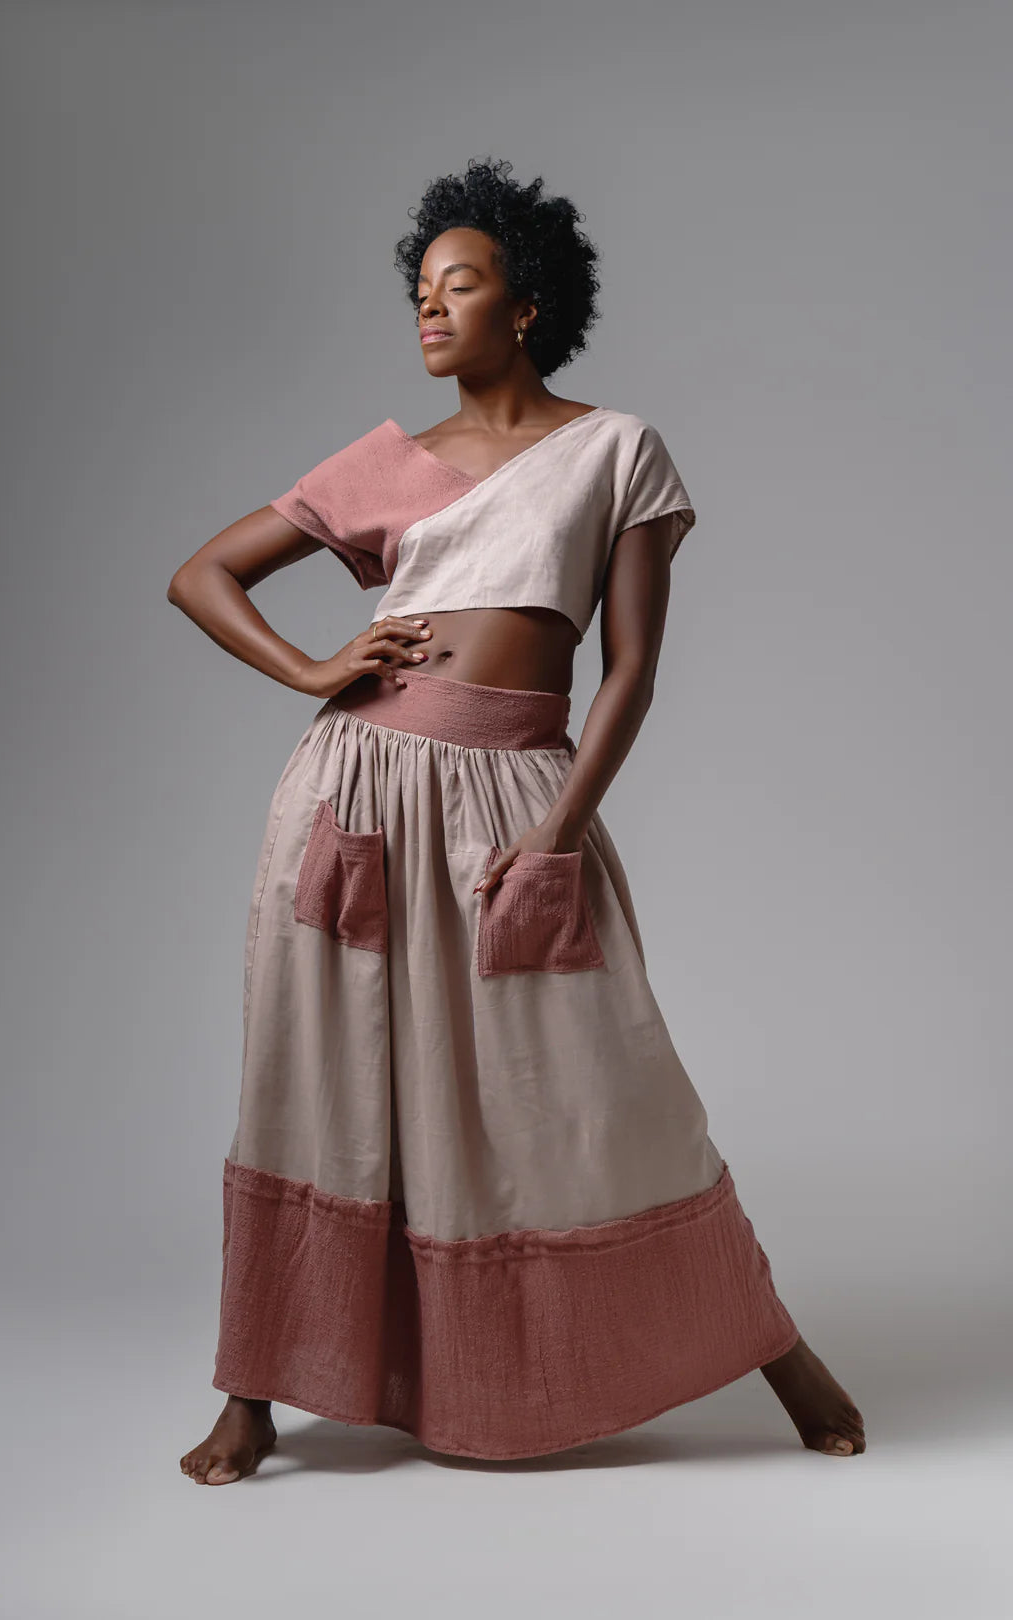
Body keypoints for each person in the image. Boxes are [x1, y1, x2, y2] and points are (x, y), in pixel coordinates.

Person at [171, 156, 865, 1484]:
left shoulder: (616, 450)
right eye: (421, 291)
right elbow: (202, 575)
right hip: (357, 797)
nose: (430, 309)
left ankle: (777, 1350)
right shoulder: (392, 463)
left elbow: (630, 671)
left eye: (461, 285)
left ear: (529, 304)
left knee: (608, 1086)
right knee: (316, 1082)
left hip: (518, 797)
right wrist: (315, 669)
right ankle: (252, 1392)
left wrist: (558, 831)